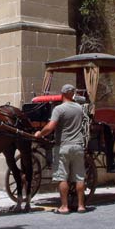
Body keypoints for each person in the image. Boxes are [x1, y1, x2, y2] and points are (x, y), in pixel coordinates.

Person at [34, 84, 86, 214]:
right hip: (78, 146)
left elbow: (51, 126)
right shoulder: (79, 108)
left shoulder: (59, 109)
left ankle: (64, 206)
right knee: (80, 177)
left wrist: (40, 133)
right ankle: (81, 206)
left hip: (63, 146)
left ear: (62, 94)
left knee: (62, 177)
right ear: (72, 94)